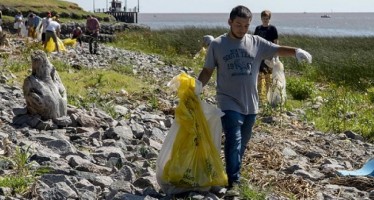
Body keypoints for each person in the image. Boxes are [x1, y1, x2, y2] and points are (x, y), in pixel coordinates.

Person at [196, 5, 312, 197]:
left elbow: (277, 49)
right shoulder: (217, 44)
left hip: (251, 104)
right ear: (230, 22)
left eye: (246, 25)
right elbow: (208, 70)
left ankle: (231, 172)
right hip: (228, 100)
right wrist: (198, 86)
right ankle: (235, 181)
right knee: (234, 139)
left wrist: (296, 51)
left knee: (243, 142)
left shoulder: (256, 42)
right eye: (238, 25)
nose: (242, 29)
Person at [254, 10, 279, 104]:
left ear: (269, 18)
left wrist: (276, 55)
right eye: (263, 18)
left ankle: (269, 97)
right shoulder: (258, 29)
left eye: (267, 18)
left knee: (268, 77)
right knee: (260, 76)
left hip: (269, 56)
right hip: (259, 56)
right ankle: (260, 97)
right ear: (261, 18)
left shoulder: (272, 29)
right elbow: (254, 41)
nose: (265, 20)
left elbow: (276, 42)